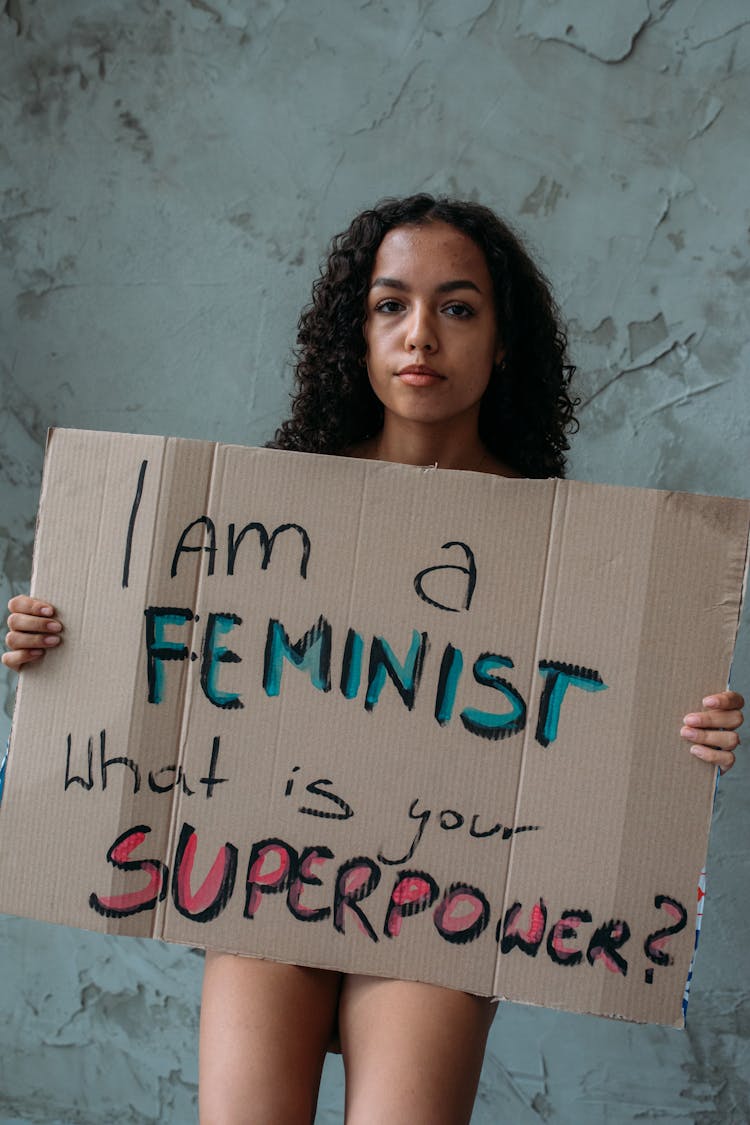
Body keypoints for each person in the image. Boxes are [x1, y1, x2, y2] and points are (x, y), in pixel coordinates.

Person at [3, 194, 744, 1124]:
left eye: (459, 307)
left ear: (504, 341)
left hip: (444, 908)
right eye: (391, 305)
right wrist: (60, 646)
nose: (421, 335)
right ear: (355, 333)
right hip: (263, 882)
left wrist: (691, 739)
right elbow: (160, 682)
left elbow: (609, 773)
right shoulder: (259, 521)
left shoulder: (584, 566)